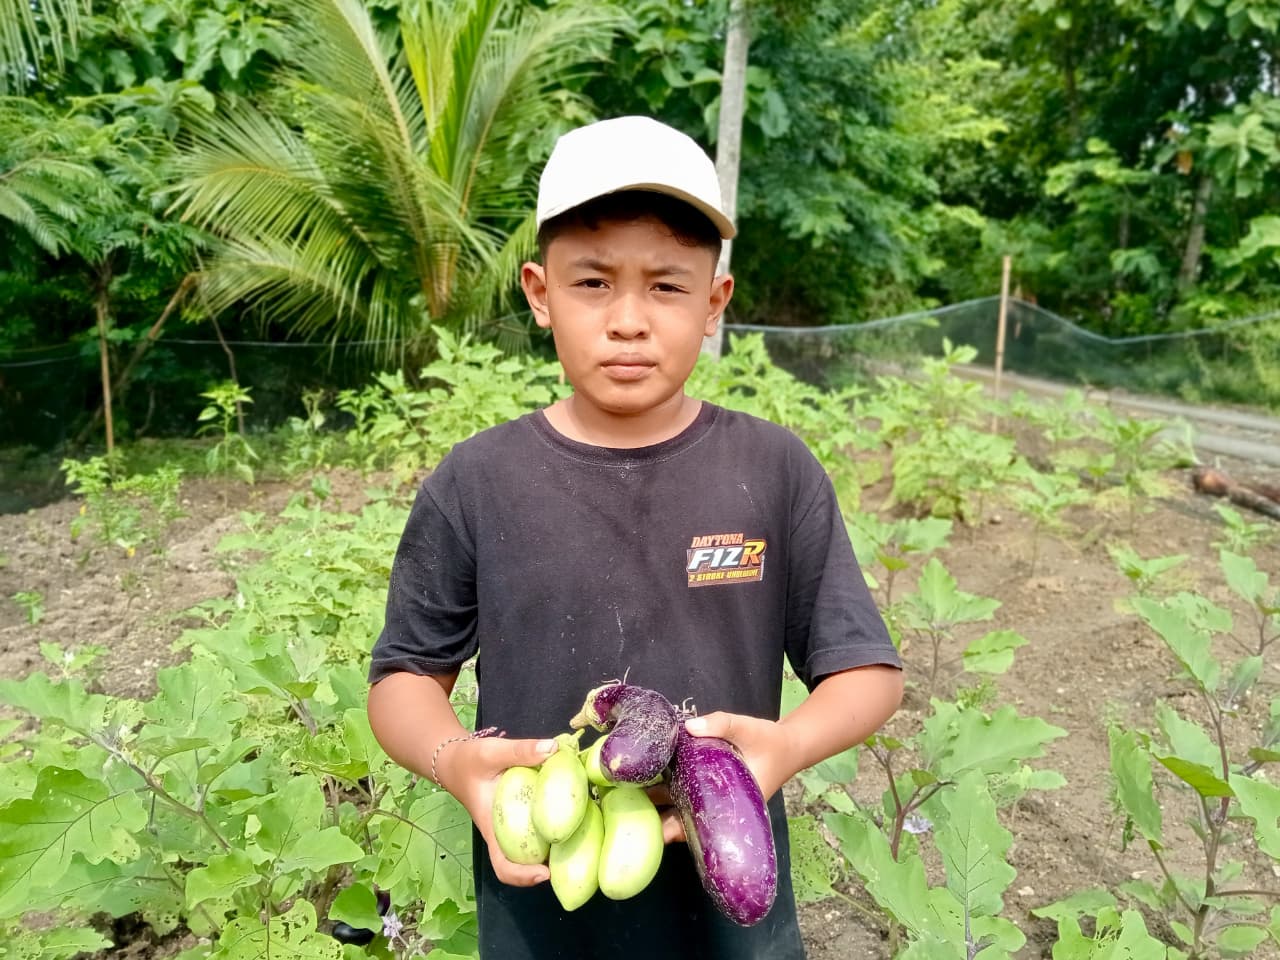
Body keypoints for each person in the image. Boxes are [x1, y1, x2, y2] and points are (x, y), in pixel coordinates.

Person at [366, 115, 903, 959]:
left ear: (714, 303)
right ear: (540, 293)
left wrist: (788, 747)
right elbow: (403, 679)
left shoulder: (774, 470)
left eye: (666, 286)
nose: (627, 320)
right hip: (544, 902)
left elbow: (867, 673)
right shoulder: (477, 481)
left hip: (729, 904)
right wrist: (454, 760)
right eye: (592, 282)